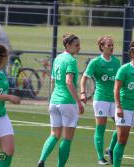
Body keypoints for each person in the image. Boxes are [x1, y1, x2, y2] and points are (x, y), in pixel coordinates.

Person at [38, 33, 84, 167]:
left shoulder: (57, 58)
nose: (79, 47)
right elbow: (69, 82)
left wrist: (52, 98)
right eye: (76, 45)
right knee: (67, 138)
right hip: (67, 103)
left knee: (54, 134)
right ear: (68, 46)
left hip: (55, 101)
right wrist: (78, 102)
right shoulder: (71, 60)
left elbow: (52, 80)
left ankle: (41, 160)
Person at [80, 35, 121, 165]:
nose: (111, 47)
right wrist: (83, 92)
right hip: (101, 99)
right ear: (102, 47)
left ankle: (110, 149)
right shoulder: (95, 62)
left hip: (114, 99)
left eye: (112, 45)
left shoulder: (116, 62)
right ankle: (100, 157)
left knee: (121, 125)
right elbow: (84, 77)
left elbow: (119, 81)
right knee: (101, 129)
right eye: (109, 45)